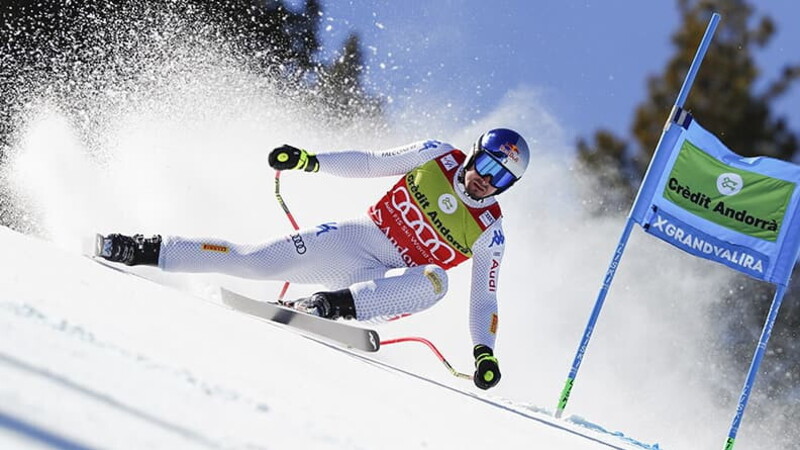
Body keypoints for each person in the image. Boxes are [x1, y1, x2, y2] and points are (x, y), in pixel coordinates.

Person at [97, 128, 530, 390]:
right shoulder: (437, 156)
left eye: (500, 180)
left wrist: (484, 354)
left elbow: (484, 299)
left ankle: (328, 307)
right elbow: (371, 162)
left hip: (383, 287)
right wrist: (310, 161)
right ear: (474, 155)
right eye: (486, 168)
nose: (485, 183)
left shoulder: (490, 230)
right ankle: (138, 248)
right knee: (253, 260)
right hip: (356, 239)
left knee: (438, 279)